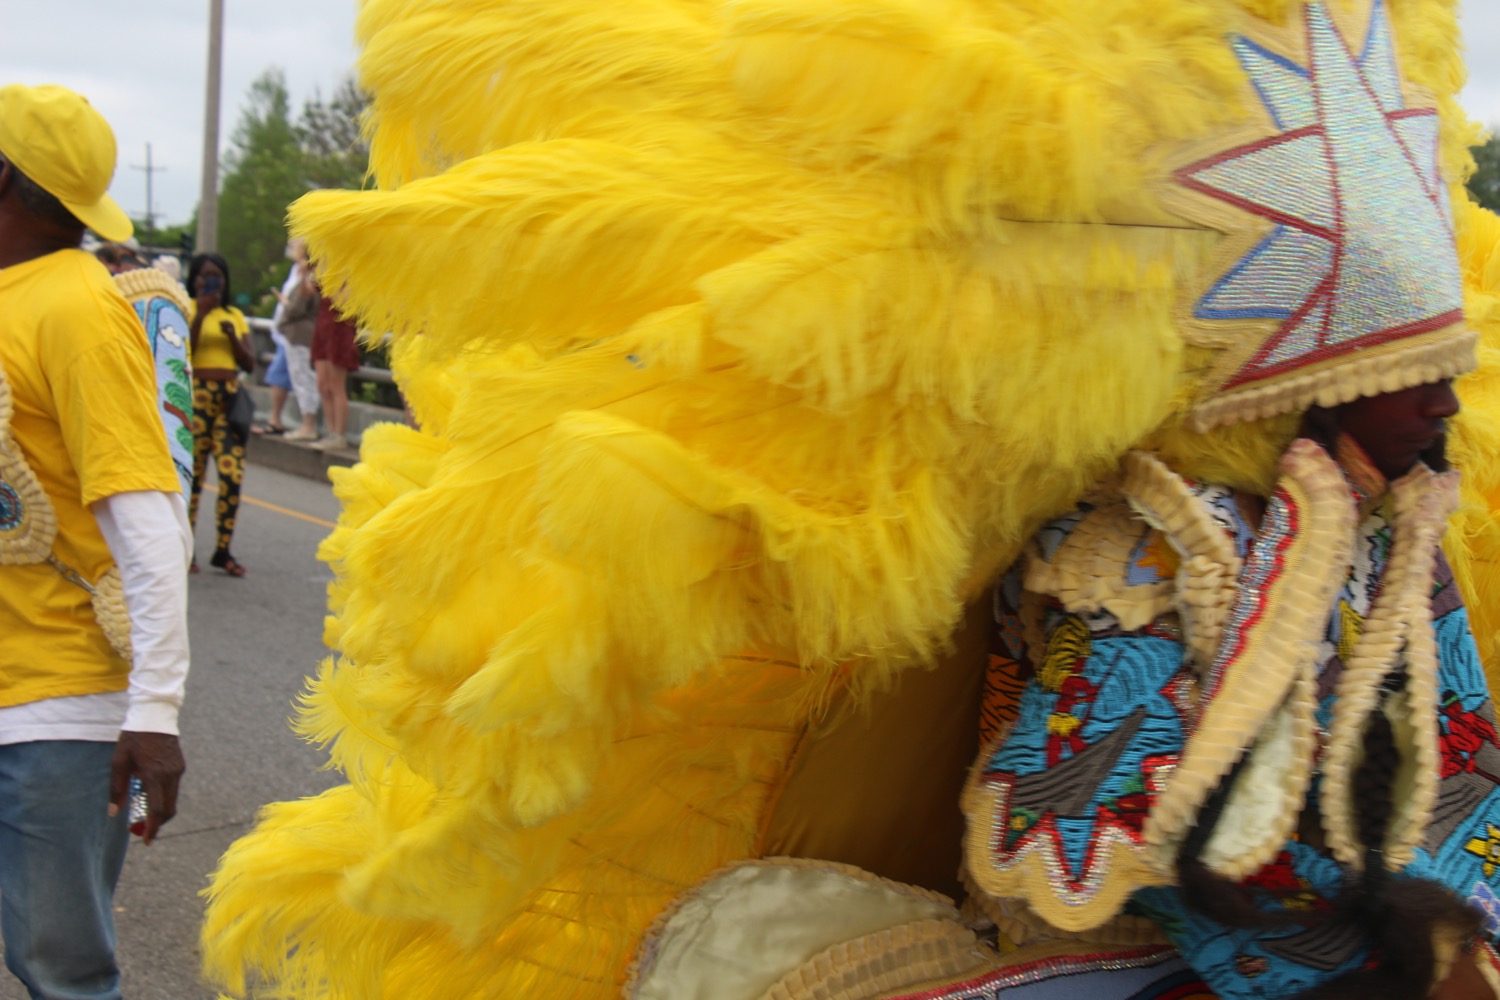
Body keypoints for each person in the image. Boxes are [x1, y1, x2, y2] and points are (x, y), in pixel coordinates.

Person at [199, 0, 1500, 997]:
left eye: (1450, 375)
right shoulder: (1137, 547)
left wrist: (1446, 916)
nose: (1448, 402)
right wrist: (1370, 928)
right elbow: (1100, 814)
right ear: (1322, 389)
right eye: (1415, 381)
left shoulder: (1402, 536)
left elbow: (1458, 760)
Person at [0, 83, 190, 999]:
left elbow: (149, 521)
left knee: (62, 972)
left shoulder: (77, 309)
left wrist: (155, 712)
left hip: (57, 713)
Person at [186, 252, 253, 577]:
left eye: (217, 275)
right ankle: (185, 551)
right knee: (193, 477)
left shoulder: (234, 315)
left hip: (229, 401)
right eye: (205, 275)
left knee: (231, 475)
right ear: (194, 278)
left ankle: (223, 550)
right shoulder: (185, 308)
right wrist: (200, 314)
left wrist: (232, 338)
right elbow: (183, 350)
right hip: (196, 399)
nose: (212, 281)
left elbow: (249, 363)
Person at [270, 240, 320, 442]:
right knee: (303, 378)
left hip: (300, 335)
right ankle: (306, 424)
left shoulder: (308, 277)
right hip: (300, 335)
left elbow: (298, 307)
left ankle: (308, 425)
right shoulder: (311, 275)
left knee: (303, 378)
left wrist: (285, 302)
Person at [308, 279, 359, 451]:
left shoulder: (348, 275)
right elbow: (309, 290)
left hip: (339, 330)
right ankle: (330, 432)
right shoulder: (324, 270)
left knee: (336, 386)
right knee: (322, 385)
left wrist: (330, 283)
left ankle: (339, 434)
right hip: (323, 327)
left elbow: (344, 303)